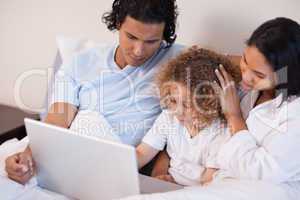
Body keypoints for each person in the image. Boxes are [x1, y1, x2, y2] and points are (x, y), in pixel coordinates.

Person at [118, 17, 300, 200]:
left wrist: (234, 116)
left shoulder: (292, 114)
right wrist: (196, 60)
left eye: (258, 74)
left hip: (259, 190)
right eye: (245, 60)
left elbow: (260, 171)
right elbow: (213, 67)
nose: (245, 77)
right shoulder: (248, 87)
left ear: (287, 75)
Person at [5, 0, 183, 185]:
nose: (138, 51)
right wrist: (28, 157)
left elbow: (183, 124)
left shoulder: (178, 62)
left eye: (151, 41)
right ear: (118, 23)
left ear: (163, 35)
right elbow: (57, 119)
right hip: (73, 156)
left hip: (121, 171)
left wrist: (159, 172)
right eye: (131, 37)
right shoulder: (79, 63)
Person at [136, 47, 241, 186]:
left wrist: (178, 190)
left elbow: (209, 181)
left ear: (210, 103)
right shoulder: (168, 117)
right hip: (167, 187)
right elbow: (142, 153)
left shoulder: (220, 132)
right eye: (173, 101)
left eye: (187, 105)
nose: (178, 111)